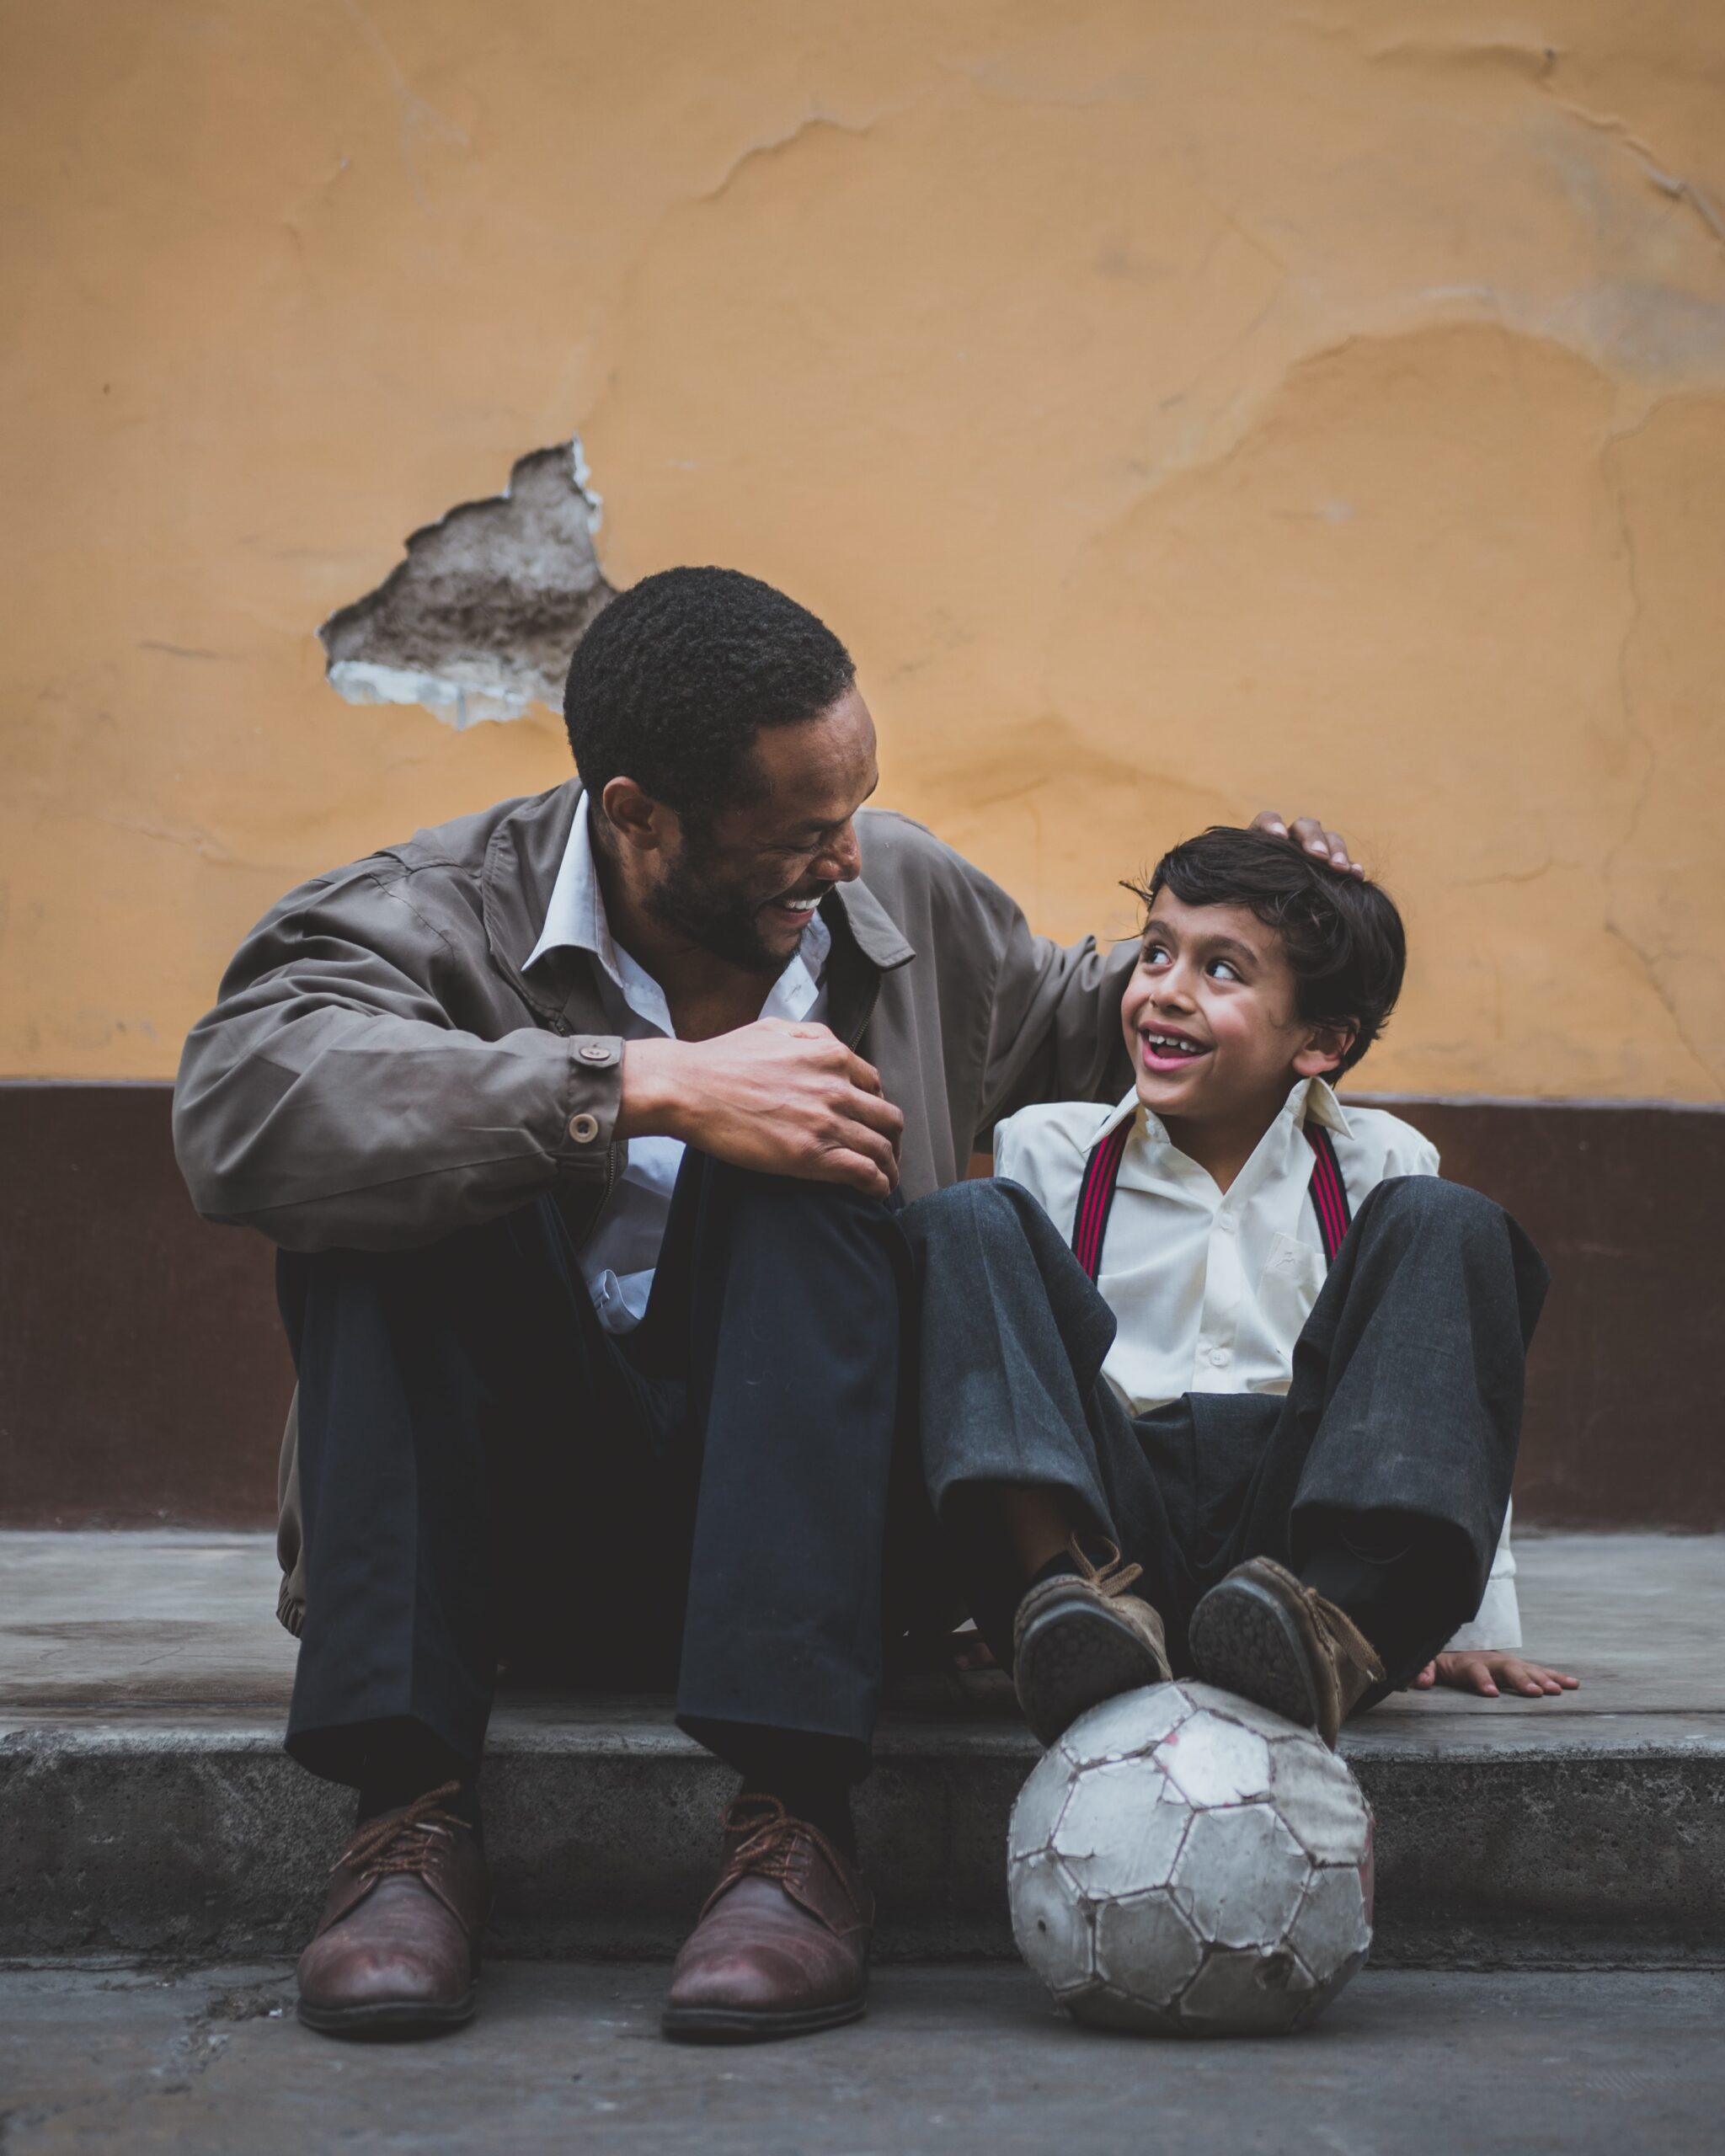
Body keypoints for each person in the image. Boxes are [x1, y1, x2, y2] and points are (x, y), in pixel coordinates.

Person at [174, 563, 1359, 2043]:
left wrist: (1266, 935)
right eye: (800, 833)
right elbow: (238, 1108)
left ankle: (793, 1829)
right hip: (497, 1546)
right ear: (637, 819)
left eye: (854, 807)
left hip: (821, 1539)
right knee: (393, 1174)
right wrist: (639, 1085)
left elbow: (1080, 1024)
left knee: (817, 1138)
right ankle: (405, 1822)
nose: (847, 857)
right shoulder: (430, 919)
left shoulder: (899, 892)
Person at [900, 825, 1577, 1755]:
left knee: (1451, 1220)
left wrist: (1475, 1626)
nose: (1163, 990)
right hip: (1109, 1534)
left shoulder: (1380, 1162)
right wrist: (999, 1588)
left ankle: (1337, 1634)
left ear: (1321, 1040)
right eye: (1154, 952)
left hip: (1295, 1554)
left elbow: (1442, 1386)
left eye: (1220, 970)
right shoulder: (1048, 1148)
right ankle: (1055, 1604)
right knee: (965, 1218)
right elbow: (1005, 1381)